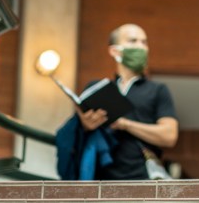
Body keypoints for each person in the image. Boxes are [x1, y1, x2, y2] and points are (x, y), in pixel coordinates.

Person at [75, 23, 179, 180]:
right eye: (133, 41)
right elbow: (76, 131)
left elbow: (169, 135)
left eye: (144, 42)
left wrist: (125, 124)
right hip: (99, 179)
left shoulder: (158, 90)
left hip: (142, 178)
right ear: (114, 51)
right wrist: (86, 124)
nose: (141, 47)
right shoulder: (97, 87)